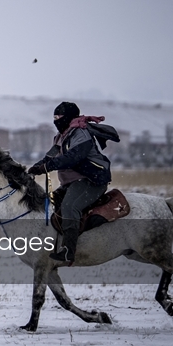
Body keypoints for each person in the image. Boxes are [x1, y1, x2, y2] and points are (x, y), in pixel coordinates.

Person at [28, 101, 112, 264]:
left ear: (68, 118)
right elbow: (50, 157)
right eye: (54, 118)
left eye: (58, 117)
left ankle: (68, 250)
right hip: (72, 183)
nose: (56, 121)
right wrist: (35, 168)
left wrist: (47, 167)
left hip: (91, 180)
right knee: (49, 202)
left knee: (69, 207)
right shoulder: (60, 137)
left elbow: (72, 157)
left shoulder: (81, 133)